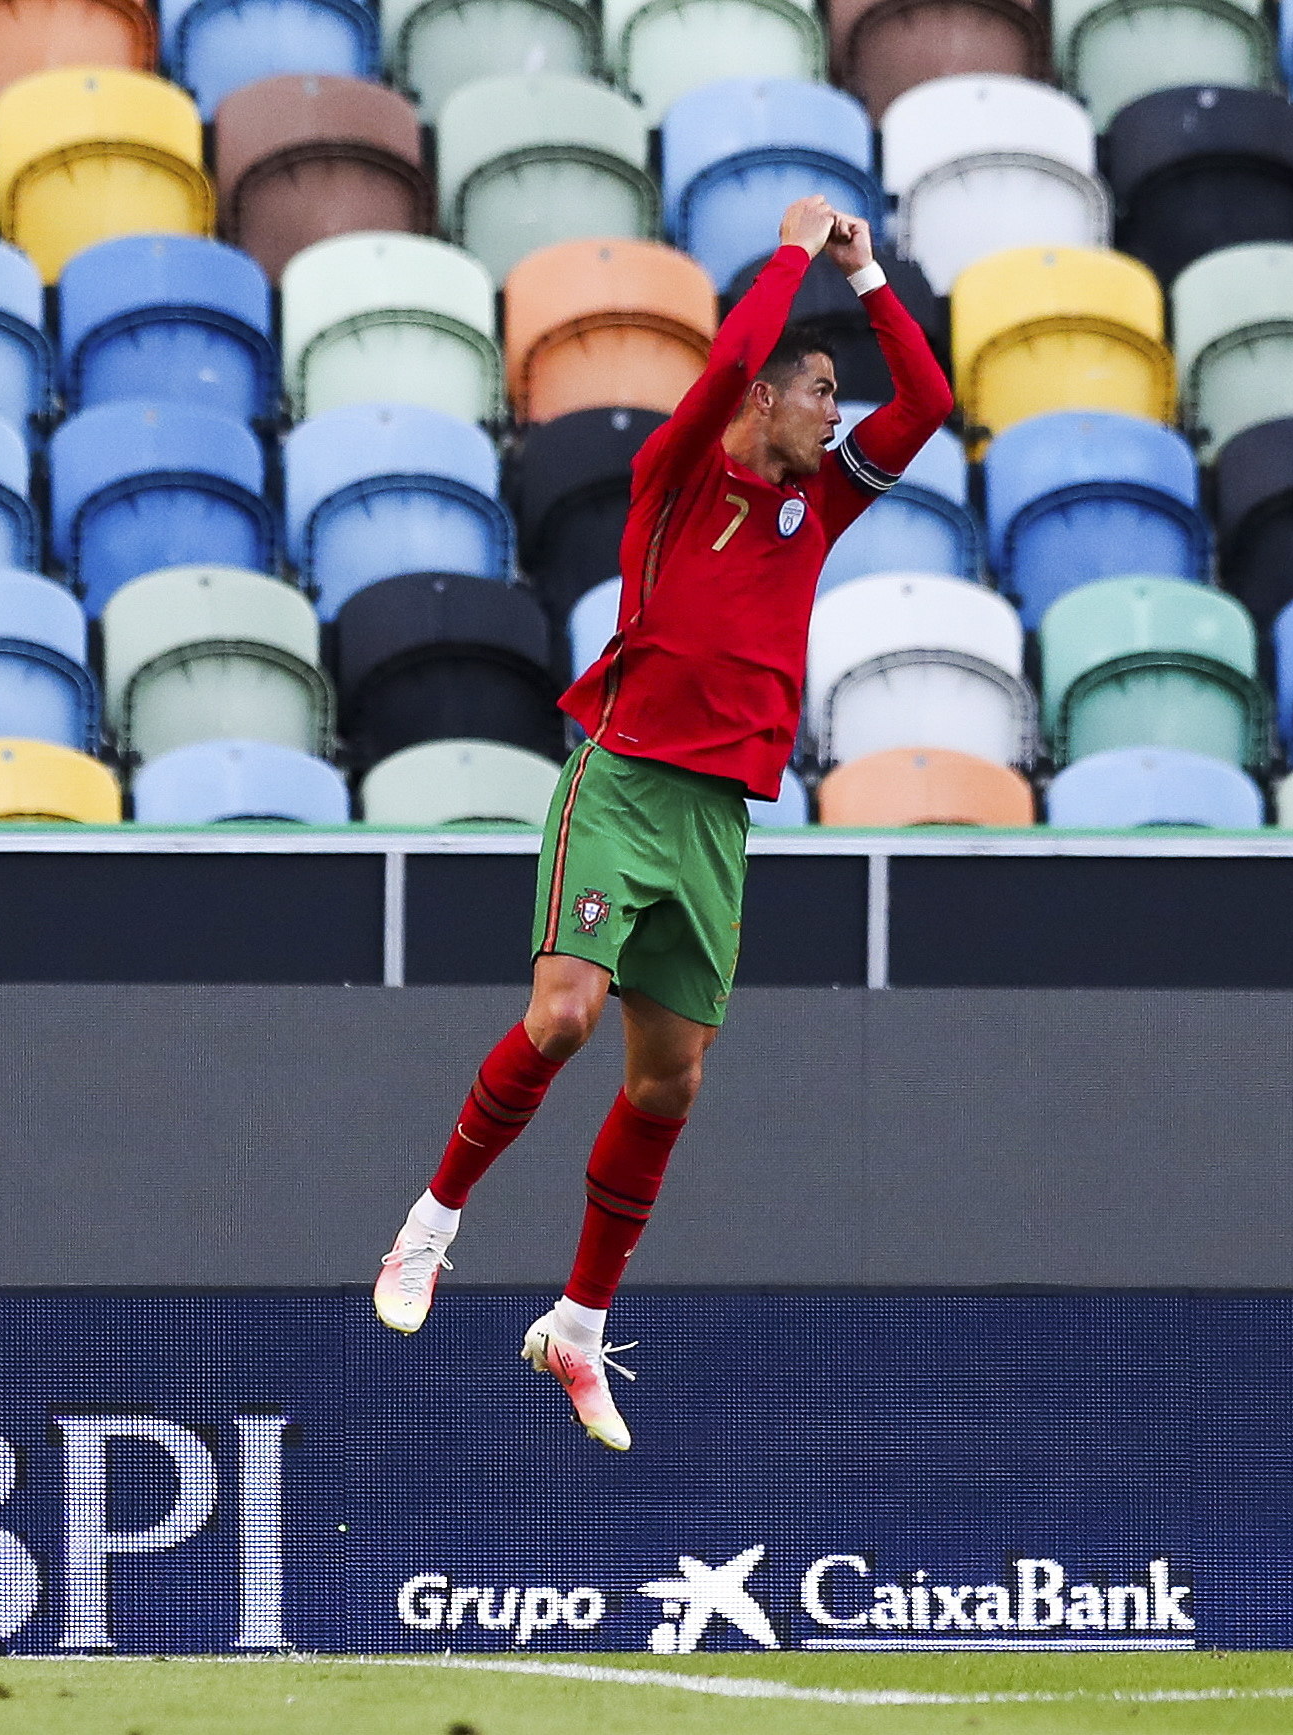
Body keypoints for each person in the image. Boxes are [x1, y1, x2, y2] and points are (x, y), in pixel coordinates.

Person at [369, 195, 955, 1450]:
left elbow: (929, 407)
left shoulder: (820, 505)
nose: (835, 420)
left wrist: (867, 281)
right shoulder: (679, 471)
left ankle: (577, 1326)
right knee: (563, 1013)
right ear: (763, 404)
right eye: (818, 399)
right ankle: (429, 1228)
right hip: (622, 781)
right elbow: (737, 354)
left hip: (715, 821)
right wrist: (794, 247)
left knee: (668, 1077)